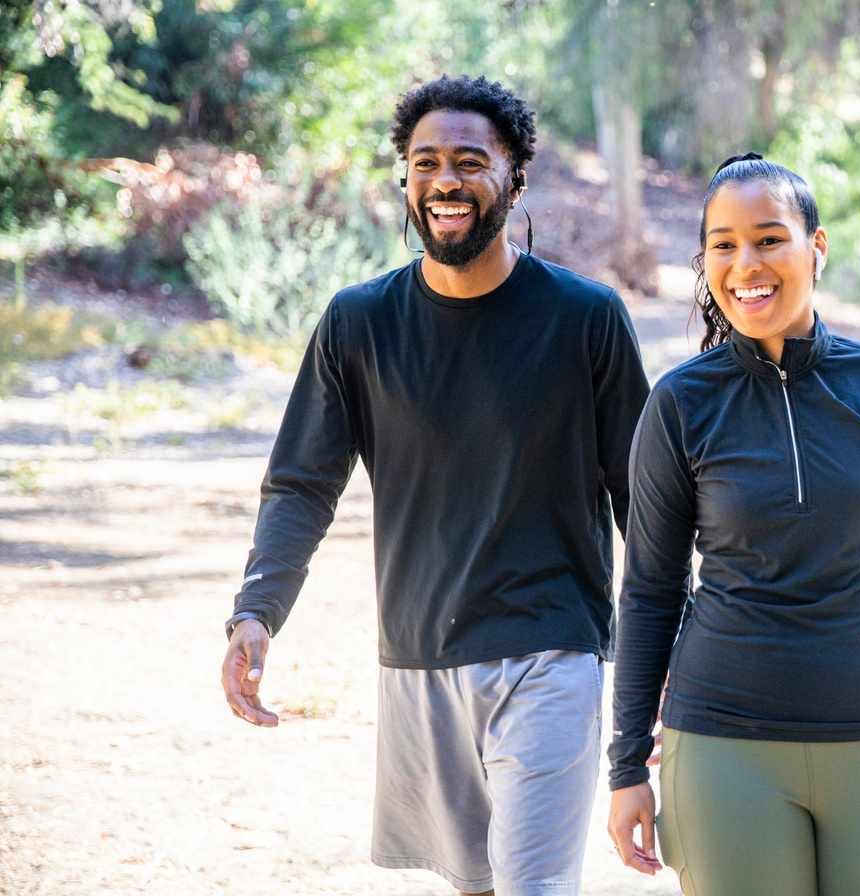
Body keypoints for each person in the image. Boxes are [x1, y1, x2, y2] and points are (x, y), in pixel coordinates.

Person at [220, 74, 650, 896]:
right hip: (417, 654)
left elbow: (641, 496)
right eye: (425, 163)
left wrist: (669, 644)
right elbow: (303, 482)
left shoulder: (585, 319)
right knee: (474, 884)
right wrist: (257, 608)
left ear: (514, 176)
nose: (445, 181)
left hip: (552, 651)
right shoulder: (358, 322)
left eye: (468, 161)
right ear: (407, 180)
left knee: (533, 886)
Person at [606, 154, 860, 896]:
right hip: (724, 748)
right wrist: (625, 764)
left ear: (816, 248)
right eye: (723, 246)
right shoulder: (676, 405)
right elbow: (648, 592)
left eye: (769, 239)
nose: (746, 265)